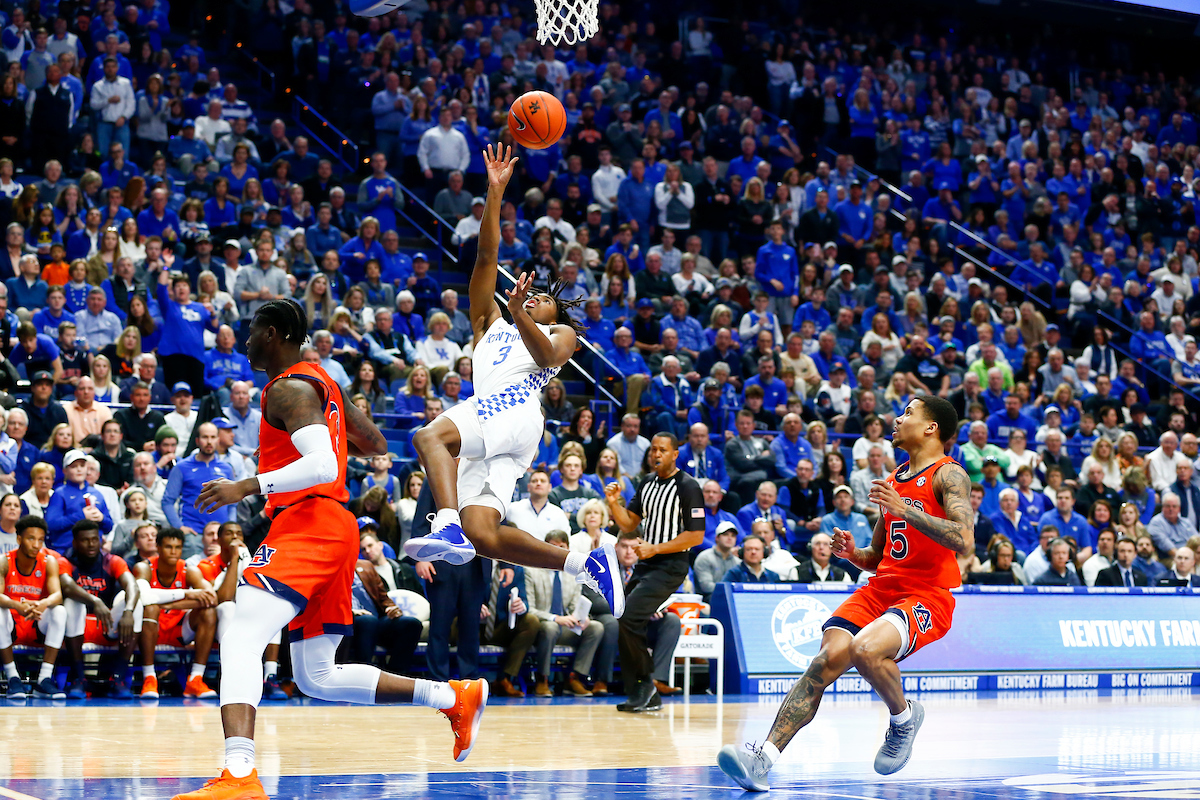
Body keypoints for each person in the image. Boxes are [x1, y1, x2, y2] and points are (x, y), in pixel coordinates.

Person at [169, 297, 487, 800]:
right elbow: (376, 441)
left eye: (252, 331)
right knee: (316, 675)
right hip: (333, 526)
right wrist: (324, 435)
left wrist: (246, 486)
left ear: (272, 333)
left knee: (239, 635)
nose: (247, 340)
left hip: (308, 522)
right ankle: (450, 695)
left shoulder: (289, 388)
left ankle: (238, 774)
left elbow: (322, 466)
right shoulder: (324, 385)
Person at [402, 145, 621, 619]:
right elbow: (486, 254)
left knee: (428, 436)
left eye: (544, 297)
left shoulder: (559, 333)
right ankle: (583, 562)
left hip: (514, 409)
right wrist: (494, 193)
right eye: (531, 294)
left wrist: (522, 311)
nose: (537, 295)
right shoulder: (488, 323)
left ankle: (443, 524)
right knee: (481, 534)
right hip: (499, 429)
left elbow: (545, 353)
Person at [719, 396, 973, 789]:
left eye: (908, 413)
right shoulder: (894, 479)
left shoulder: (949, 475)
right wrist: (852, 553)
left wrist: (906, 511)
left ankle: (903, 719)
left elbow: (964, 538)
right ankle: (761, 761)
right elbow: (879, 556)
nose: (897, 418)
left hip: (927, 595)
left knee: (865, 649)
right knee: (824, 661)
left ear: (930, 428)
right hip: (882, 589)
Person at [605, 432, 704, 712]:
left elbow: (696, 536)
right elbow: (628, 524)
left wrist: (656, 548)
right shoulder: (647, 483)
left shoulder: (688, 486)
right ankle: (644, 689)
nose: (656, 454)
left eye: (662, 450)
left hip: (671, 564)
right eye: (652, 450)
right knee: (622, 615)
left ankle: (647, 685)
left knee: (628, 616)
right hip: (648, 561)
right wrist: (614, 503)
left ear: (675, 454)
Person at [62, 519, 142, 699]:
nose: (91, 544)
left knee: (134, 601)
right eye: (85, 540)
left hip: (107, 624)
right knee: (72, 602)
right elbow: (66, 586)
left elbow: (132, 586)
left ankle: (118, 678)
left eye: (94, 539)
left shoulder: (112, 560)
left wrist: (128, 611)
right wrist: (94, 601)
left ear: (101, 540)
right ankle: (79, 678)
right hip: (77, 627)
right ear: (75, 543)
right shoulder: (65, 560)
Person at [526, 529, 607, 697]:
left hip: (565, 628)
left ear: (568, 549)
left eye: (561, 547)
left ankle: (575, 678)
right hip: (540, 627)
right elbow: (530, 609)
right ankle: (542, 679)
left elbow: (574, 607)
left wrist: (582, 619)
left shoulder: (573, 575)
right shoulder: (531, 572)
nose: (557, 551)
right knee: (550, 627)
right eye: (552, 546)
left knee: (596, 627)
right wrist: (556, 618)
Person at [0, 515, 68, 699]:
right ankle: (13, 678)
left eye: (40, 539)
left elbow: (57, 595)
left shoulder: (48, 561)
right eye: (31, 539)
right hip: (11, 624)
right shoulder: (4, 561)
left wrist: (42, 603)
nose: (36, 544)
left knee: (59, 611)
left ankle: (43, 680)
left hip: (36, 622)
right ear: (19, 538)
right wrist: (17, 605)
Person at [163, 423, 236, 556]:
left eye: (213, 437)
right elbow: (167, 501)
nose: (209, 441)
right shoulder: (182, 467)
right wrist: (179, 527)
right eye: (205, 437)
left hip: (221, 534)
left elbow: (233, 504)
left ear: (218, 440)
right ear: (197, 441)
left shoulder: (227, 468)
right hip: (193, 534)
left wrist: (230, 527)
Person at [694, 521, 740, 601]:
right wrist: (731, 589)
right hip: (707, 599)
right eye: (725, 535)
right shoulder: (705, 557)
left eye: (733, 536)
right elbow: (706, 587)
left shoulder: (737, 562)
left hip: (732, 598)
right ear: (717, 538)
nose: (729, 538)